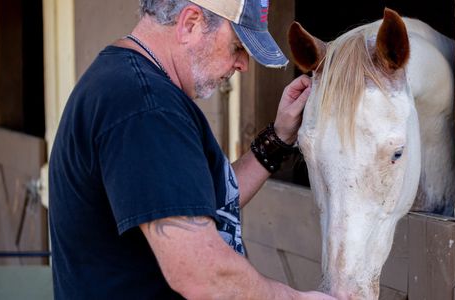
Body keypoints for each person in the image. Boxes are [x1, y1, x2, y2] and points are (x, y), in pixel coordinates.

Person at [48, 0, 335, 299]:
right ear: (190, 23)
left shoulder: (127, 83)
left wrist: (277, 139)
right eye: (237, 47)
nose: (243, 65)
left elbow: (200, 203)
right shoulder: (147, 108)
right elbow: (201, 275)